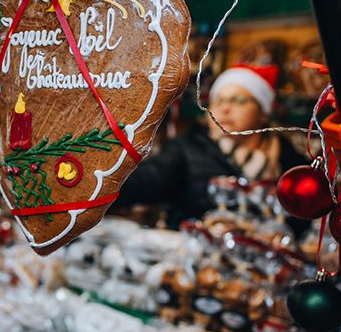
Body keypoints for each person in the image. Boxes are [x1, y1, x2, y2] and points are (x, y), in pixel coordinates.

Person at [112, 64, 307, 229]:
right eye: (218, 100)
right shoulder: (187, 149)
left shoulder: (289, 161)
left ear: (263, 112)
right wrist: (104, 183)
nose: (224, 108)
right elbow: (148, 179)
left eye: (238, 100)